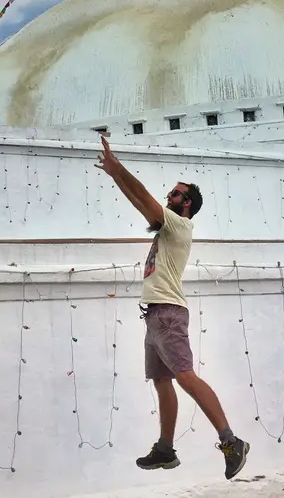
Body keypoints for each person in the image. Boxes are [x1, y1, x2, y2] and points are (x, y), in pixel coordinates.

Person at [95, 134, 249, 480]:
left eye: (176, 194)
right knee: (163, 382)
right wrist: (115, 175)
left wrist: (118, 167)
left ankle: (231, 441)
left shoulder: (179, 225)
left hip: (167, 313)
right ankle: (165, 449)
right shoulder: (166, 229)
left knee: (185, 377)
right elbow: (140, 202)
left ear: (187, 204)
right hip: (154, 315)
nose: (170, 196)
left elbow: (145, 199)